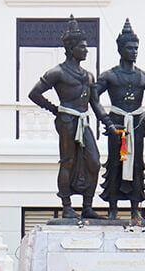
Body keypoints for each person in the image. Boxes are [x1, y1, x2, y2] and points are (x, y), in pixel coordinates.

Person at [29, 16, 109, 220]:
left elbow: (95, 103)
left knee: (94, 161)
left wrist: (108, 122)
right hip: (67, 120)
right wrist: (54, 109)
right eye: (82, 47)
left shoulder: (88, 75)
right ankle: (66, 205)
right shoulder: (57, 72)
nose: (86, 50)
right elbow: (34, 93)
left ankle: (87, 206)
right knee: (68, 161)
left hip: (83, 121)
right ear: (71, 48)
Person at [96, 19, 145, 222]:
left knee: (136, 164)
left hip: (137, 125)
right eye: (130, 48)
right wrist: (106, 120)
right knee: (115, 163)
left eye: (136, 48)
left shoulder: (144, 77)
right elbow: (92, 98)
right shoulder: (109, 76)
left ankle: (135, 208)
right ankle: (112, 208)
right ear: (120, 49)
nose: (134, 51)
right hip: (116, 124)